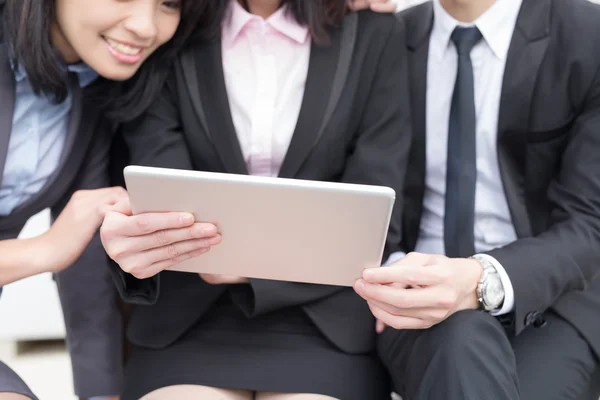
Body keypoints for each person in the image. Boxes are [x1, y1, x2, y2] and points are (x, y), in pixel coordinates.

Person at [100, 0, 411, 399]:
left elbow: (373, 223)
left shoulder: (373, 34)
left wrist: (240, 261)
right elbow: (165, 200)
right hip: (190, 318)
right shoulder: (170, 24)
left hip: (322, 320)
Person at [352, 0, 600, 399]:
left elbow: (590, 223)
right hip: (415, 299)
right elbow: (359, 193)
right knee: (460, 344)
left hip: (556, 298)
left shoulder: (587, 33)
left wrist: (480, 280)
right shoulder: (387, 36)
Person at [0, 0, 208, 399]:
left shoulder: (94, 98)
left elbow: (86, 273)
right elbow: (61, 248)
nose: (146, 26)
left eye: (169, 3)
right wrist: (42, 250)